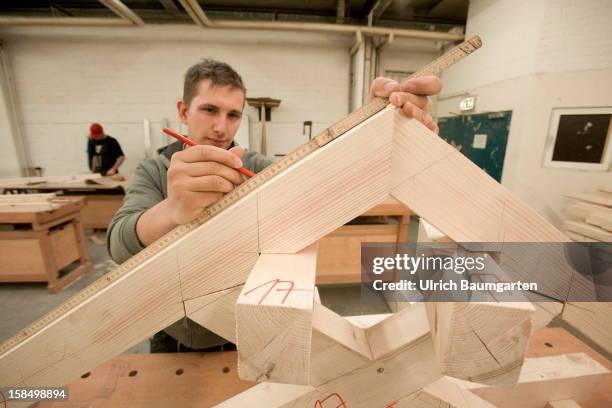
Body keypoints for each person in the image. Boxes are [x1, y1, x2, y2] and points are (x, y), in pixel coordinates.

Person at [107, 58, 442, 352]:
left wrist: (373, 132)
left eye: (233, 114)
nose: (221, 127)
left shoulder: (255, 165)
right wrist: (171, 211)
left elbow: (323, 184)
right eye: (209, 110)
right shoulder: (154, 171)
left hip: (248, 327)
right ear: (183, 111)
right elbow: (118, 243)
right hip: (179, 335)